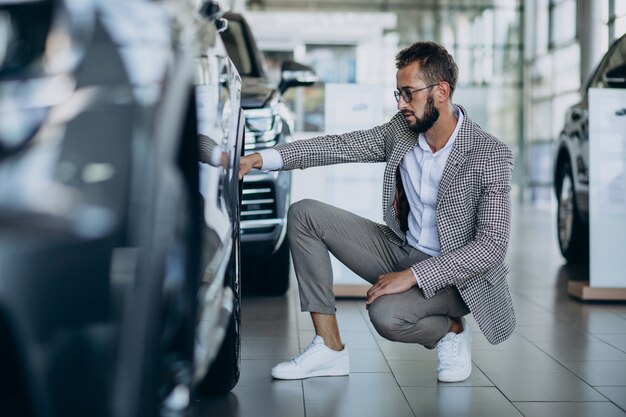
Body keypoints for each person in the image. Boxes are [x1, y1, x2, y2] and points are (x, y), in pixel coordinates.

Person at [239, 41, 515, 383]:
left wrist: (412, 277)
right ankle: (329, 347)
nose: (401, 104)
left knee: (386, 316)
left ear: (441, 92)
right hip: (401, 250)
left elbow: (490, 248)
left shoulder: (490, 154)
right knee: (304, 214)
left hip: (456, 278)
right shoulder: (401, 132)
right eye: (397, 93)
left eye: (408, 93)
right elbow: (338, 146)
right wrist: (262, 159)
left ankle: (451, 330)